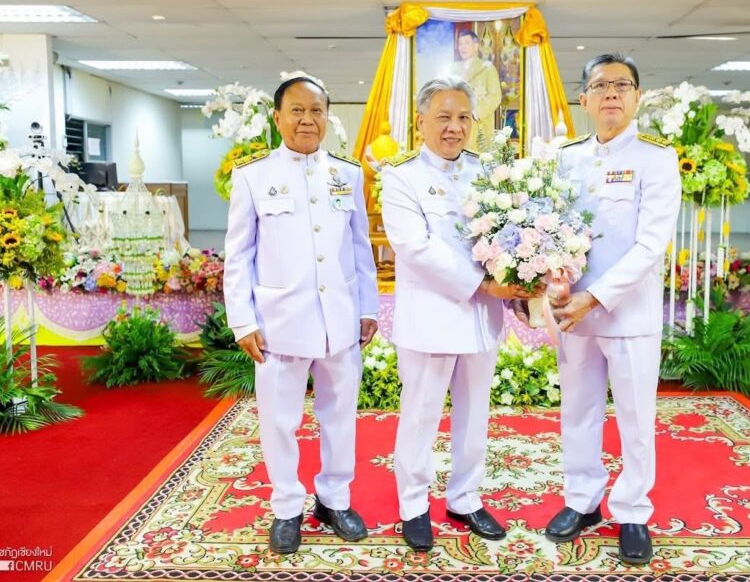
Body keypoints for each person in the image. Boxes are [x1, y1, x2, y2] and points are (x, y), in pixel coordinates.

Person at [533, 53, 680, 564]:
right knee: (578, 410)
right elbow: (550, 231)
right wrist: (554, 284)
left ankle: (633, 510)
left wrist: (593, 297)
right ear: (584, 98)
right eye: (600, 85)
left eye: (622, 84)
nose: (611, 93)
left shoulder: (656, 158)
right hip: (572, 313)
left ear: (638, 96)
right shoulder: (567, 158)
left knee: (636, 418)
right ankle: (582, 499)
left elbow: (650, 244)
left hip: (628, 314)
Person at [223, 76, 379, 555]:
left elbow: (360, 245)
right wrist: (243, 321)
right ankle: (287, 507)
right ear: (278, 118)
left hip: (339, 320)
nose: (307, 120)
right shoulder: (253, 175)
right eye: (297, 110)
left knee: (340, 416)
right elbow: (238, 255)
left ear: (327, 116)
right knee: (279, 421)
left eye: (316, 111)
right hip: (279, 323)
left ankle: (334, 500)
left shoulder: (347, 173)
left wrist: (368, 306)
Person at [380, 76, 529, 551]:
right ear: (420, 121)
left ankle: (465, 498)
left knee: (475, 415)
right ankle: (413, 505)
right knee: (420, 415)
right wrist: (483, 285)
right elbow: (415, 247)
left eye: (464, 117)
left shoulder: (487, 174)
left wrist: (518, 287)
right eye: (443, 117)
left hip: (481, 320)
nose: (454, 127)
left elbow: (506, 241)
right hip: (431, 319)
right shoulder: (401, 176)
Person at [447, 29, 502, 152]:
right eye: (460, 44)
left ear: (476, 46)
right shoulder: (452, 68)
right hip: (456, 123)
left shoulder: (487, 68)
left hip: (478, 123)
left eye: (466, 43)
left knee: (478, 157)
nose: (462, 47)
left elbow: (495, 96)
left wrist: (477, 112)